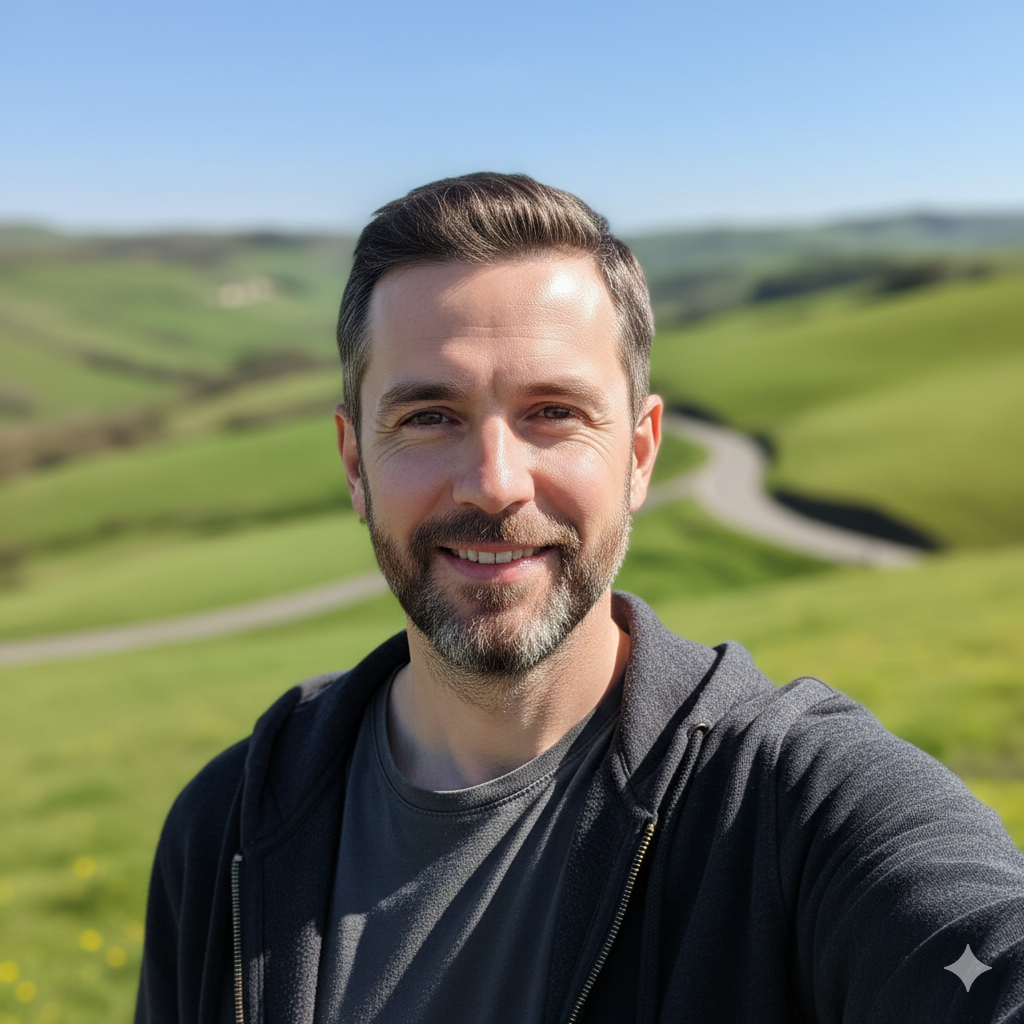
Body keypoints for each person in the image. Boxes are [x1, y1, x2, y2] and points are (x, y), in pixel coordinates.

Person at [135, 173, 1024, 1024]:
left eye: (554, 411)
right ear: (354, 463)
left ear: (639, 454)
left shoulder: (797, 805)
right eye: (428, 417)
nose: (494, 482)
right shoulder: (230, 826)